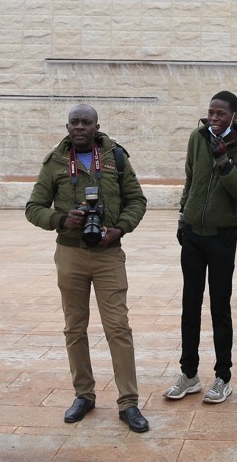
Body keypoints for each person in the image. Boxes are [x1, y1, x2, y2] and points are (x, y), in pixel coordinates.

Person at [24, 104, 151, 432]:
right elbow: (33, 207)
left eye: (86, 122)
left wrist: (119, 229)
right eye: (74, 122)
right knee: (74, 328)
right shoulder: (54, 162)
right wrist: (62, 219)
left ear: (97, 126)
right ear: (67, 126)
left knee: (118, 328)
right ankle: (84, 394)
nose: (80, 127)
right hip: (70, 254)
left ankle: (129, 403)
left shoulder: (115, 157)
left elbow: (137, 200)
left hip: (109, 254)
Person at [165, 92, 237, 405]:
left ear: (234, 115)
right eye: (211, 112)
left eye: (221, 114)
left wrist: (224, 163)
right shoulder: (197, 137)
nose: (215, 119)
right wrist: (183, 216)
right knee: (189, 304)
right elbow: (190, 177)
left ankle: (223, 376)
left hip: (222, 237)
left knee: (220, 306)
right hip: (192, 234)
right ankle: (189, 374)